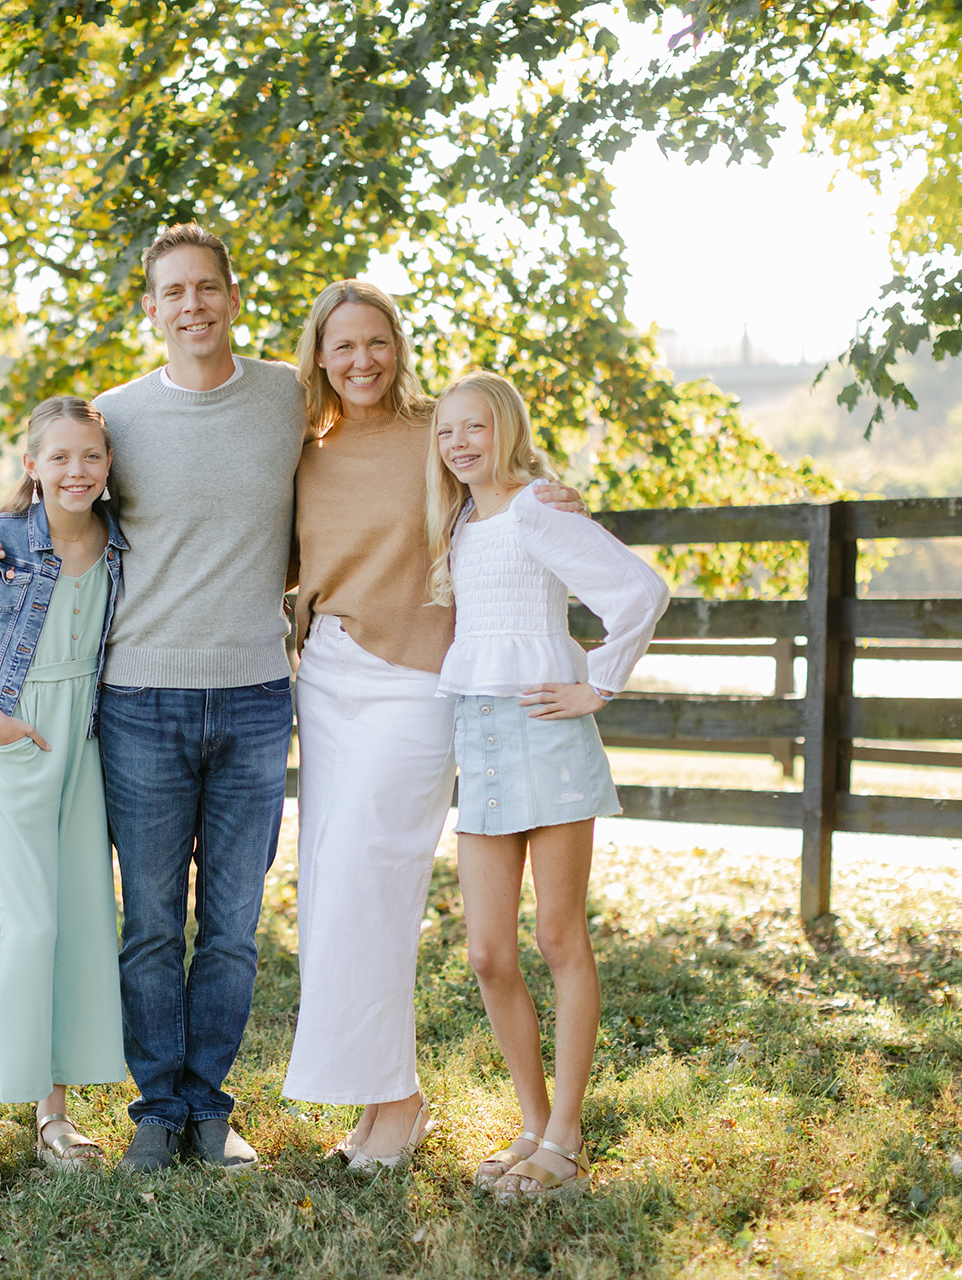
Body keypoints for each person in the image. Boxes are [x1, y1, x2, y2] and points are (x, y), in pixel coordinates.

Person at [0, 225, 303, 1173]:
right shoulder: (113, 417)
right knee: (146, 920)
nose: (191, 305)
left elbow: (387, 429)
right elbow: (45, 512)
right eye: (171, 293)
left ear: (232, 295)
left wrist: (513, 482)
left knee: (230, 925)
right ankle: (154, 1109)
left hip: (258, 696)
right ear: (151, 309)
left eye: (206, 289)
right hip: (137, 702)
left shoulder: (288, 395)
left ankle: (208, 1110)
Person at [283, 283, 584, 1168]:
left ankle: (401, 1104)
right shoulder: (305, 448)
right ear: (320, 356)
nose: (362, 361)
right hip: (326, 676)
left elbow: (505, 486)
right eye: (344, 347)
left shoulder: (436, 432)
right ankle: (386, 1101)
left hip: (416, 679)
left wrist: (549, 493)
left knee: (373, 881)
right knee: (331, 888)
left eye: (377, 342)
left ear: (398, 346)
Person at [424, 370, 669, 1199]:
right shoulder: (458, 521)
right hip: (480, 734)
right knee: (490, 953)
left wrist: (598, 683)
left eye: (475, 428)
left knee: (560, 938)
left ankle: (564, 1137)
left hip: (548, 731)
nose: (460, 443)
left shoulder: (536, 507)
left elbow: (641, 590)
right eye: (447, 431)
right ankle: (530, 1123)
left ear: (507, 428)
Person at [0, 396, 129, 1193]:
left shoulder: (123, 541)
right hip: (18, 739)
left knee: (81, 922)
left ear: (108, 466)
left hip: (87, 741)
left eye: (90, 456)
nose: (76, 471)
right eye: (60, 458)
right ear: (33, 467)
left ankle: (54, 1111)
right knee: (25, 925)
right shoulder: (0, 541)